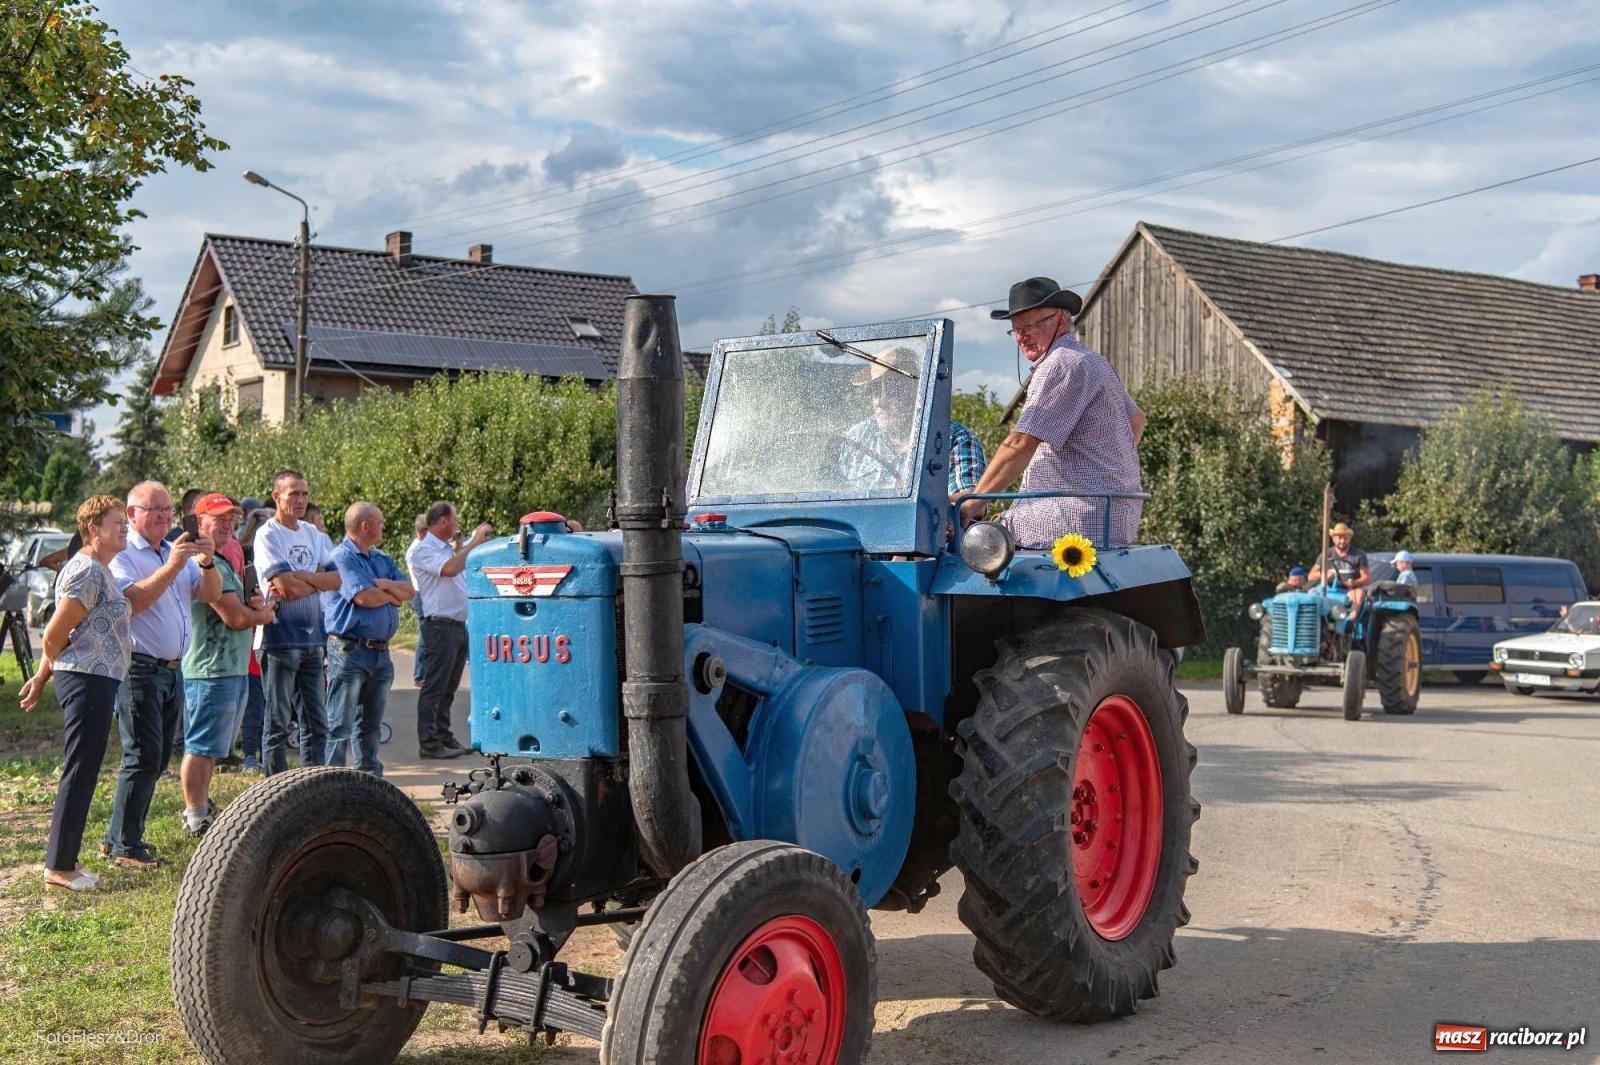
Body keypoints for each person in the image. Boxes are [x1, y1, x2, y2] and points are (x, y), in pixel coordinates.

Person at [958, 277, 1145, 549]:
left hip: (1069, 522)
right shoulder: (1092, 361)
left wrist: (973, 502)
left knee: (963, 544)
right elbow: (1137, 421)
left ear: (1058, 318)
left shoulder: (1060, 363)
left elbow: (1021, 444)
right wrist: (1107, 469)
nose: (1021, 337)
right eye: (1016, 330)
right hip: (1112, 521)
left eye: (1029, 326)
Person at [104, 481, 222, 870]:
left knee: (154, 761)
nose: (164, 516)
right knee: (142, 757)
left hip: (172, 671)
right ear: (132, 513)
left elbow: (210, 594)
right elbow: (131, 602)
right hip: (139, 668)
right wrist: (173, 565)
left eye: (168, 509)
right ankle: (124, 846)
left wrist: (207, 561)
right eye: (154, 509)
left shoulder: (174, 551)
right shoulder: (124, 554)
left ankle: (120, 837)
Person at [20, 496, 134, 891]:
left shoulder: (100, 568)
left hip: (95, 678)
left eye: (125, 521)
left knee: (85, 770)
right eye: (117, 522)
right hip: (86, 679)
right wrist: (49, 671)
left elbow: (68, 635)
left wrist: (42, 676)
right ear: (93, 529)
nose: (125, 528)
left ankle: (66, 858)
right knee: (80, 770)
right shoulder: (87, 569)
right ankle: (58, 867)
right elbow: (54, 635)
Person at [179, 494, 276, 835]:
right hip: (210, 668)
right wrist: (263, 614)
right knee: (201, 746)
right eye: (218, 518)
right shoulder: (205, 563)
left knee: (211, 748)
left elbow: (241, 609)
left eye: (231, 518)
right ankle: (195, 814)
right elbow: (234, 617)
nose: (227, 524)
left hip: (227, 666)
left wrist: (255, 605)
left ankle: (201, 806)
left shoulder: (219, 560)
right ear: (199, 522)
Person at [255, 469, 341, 775]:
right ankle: (276, 789)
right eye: (294, 493)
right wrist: (315, 578)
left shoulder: (313, 533)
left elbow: (337, 578)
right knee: (277, 724)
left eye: (305, 493)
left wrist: (301, 577)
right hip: (279, 639)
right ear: (277, 497)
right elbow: (286, 588)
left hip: (312, 640)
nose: (301, 500)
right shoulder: (268, 534)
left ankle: (312, 787)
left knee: (317, 724)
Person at [323, 503, 412, 774]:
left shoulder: (381, 559)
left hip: (380, 653)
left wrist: (384, 585)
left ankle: (368, 779)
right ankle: (331, 782)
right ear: (365, 526)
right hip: (350, 650)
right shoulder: (341, 558)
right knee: (340, 724)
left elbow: (409, 591)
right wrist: (390, 594)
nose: (383, 526)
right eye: (380, 521)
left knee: (370, 725)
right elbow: (364, 598)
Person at [838, 346, 989, 496]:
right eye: (876, 391)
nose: (881, 402)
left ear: (918, 391)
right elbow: (832, 493)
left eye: (892, 391)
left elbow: (968, 502)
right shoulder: (855, 437)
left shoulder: (954, 439)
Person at [410, 501, 493, 758]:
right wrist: (475, 541)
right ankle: (429, 743)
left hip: (456, 625)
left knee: (448, 688)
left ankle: (443, 737)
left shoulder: (445, 548)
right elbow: (449, 569)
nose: (456, 524)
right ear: (443, 521)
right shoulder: (424, 550)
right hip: (440, 625)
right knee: (435, 686)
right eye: (454, 519)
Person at [1308, 522, 1371, 612]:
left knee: (1358, 595)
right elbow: (1311, 576)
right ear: (1333, 539)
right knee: (1311, 595)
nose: (1342, 541)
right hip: (1329, 590)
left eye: (1345, 538)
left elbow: (1366, 578)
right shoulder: (1326, 554)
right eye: (1339, 538)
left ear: (1349, 538)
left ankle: (1351, 618)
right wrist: (1324, 575)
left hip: (1349, 591)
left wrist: (1353, 583)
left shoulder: (1359, 555)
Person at [404, 512, 429, 687]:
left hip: (425, 594)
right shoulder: (415, 550)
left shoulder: (423, 547)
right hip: (420, 595)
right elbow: (419, 573)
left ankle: (425, 673)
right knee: (425, 634)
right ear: (422, 531)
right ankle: (420, 675)